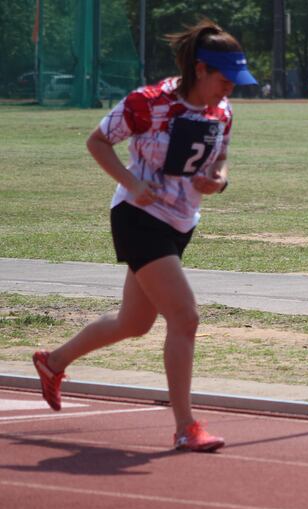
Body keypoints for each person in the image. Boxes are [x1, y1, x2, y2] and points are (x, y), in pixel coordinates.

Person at [32, 19, 257, 452]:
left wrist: (220, 179)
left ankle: (52, 361)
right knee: (185, 318)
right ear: (200, 70)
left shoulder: (221, 110)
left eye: (236, 81)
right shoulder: (148, 103)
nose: (231, 88)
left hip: (181, 223)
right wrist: (133, 185)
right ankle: (186, 427)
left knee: (133, 323)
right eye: (225, 79)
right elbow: (97, 142)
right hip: (139, 219)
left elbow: (222, 152)